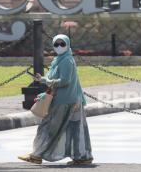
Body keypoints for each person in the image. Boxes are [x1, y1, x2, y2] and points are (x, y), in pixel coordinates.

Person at [18, 34, 93, 165]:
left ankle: (37, 155)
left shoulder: (66, 61)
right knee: (74, 129)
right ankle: (82, 157)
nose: (59, 47)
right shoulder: (59, 60)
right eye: (56, 44)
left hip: (65, 101)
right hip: (69, 99)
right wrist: (41, 79)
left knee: (47, 127)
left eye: (62, 44)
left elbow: (64, 81)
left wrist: (46, 80)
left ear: (68, 45)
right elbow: (54, 80)